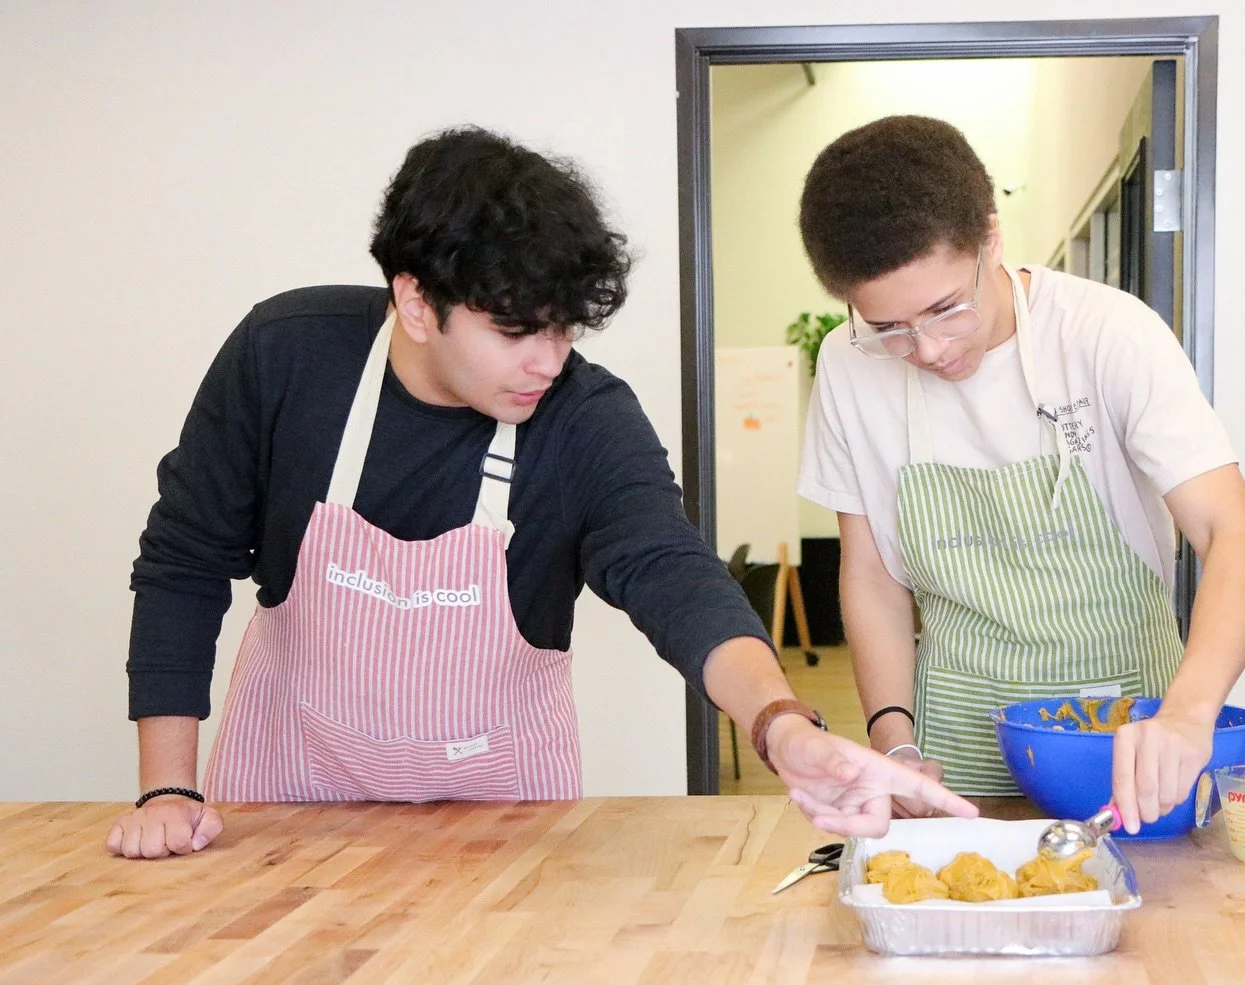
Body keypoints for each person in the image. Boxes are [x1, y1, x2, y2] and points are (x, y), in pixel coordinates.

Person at [109, 125, 975, 859]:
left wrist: (784, 725)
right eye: (517, 330)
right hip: (282, 811)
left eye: (565, 327)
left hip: (503, 825)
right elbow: (184, 563)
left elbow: (674, 576)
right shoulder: (287, 356)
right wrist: (167, 791)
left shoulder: (584, 417)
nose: (547, 361)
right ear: (416, 300)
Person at [795, 115, 1245, 832]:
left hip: (1125, 743)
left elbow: (1236, 538)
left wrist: (1187, 715)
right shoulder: (846, 364)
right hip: (954, 746)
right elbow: (870, 575)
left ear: (990, 236)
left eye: (944, 310)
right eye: (889, 329)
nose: (926, 350)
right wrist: (891, 737)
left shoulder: (1106, 333)